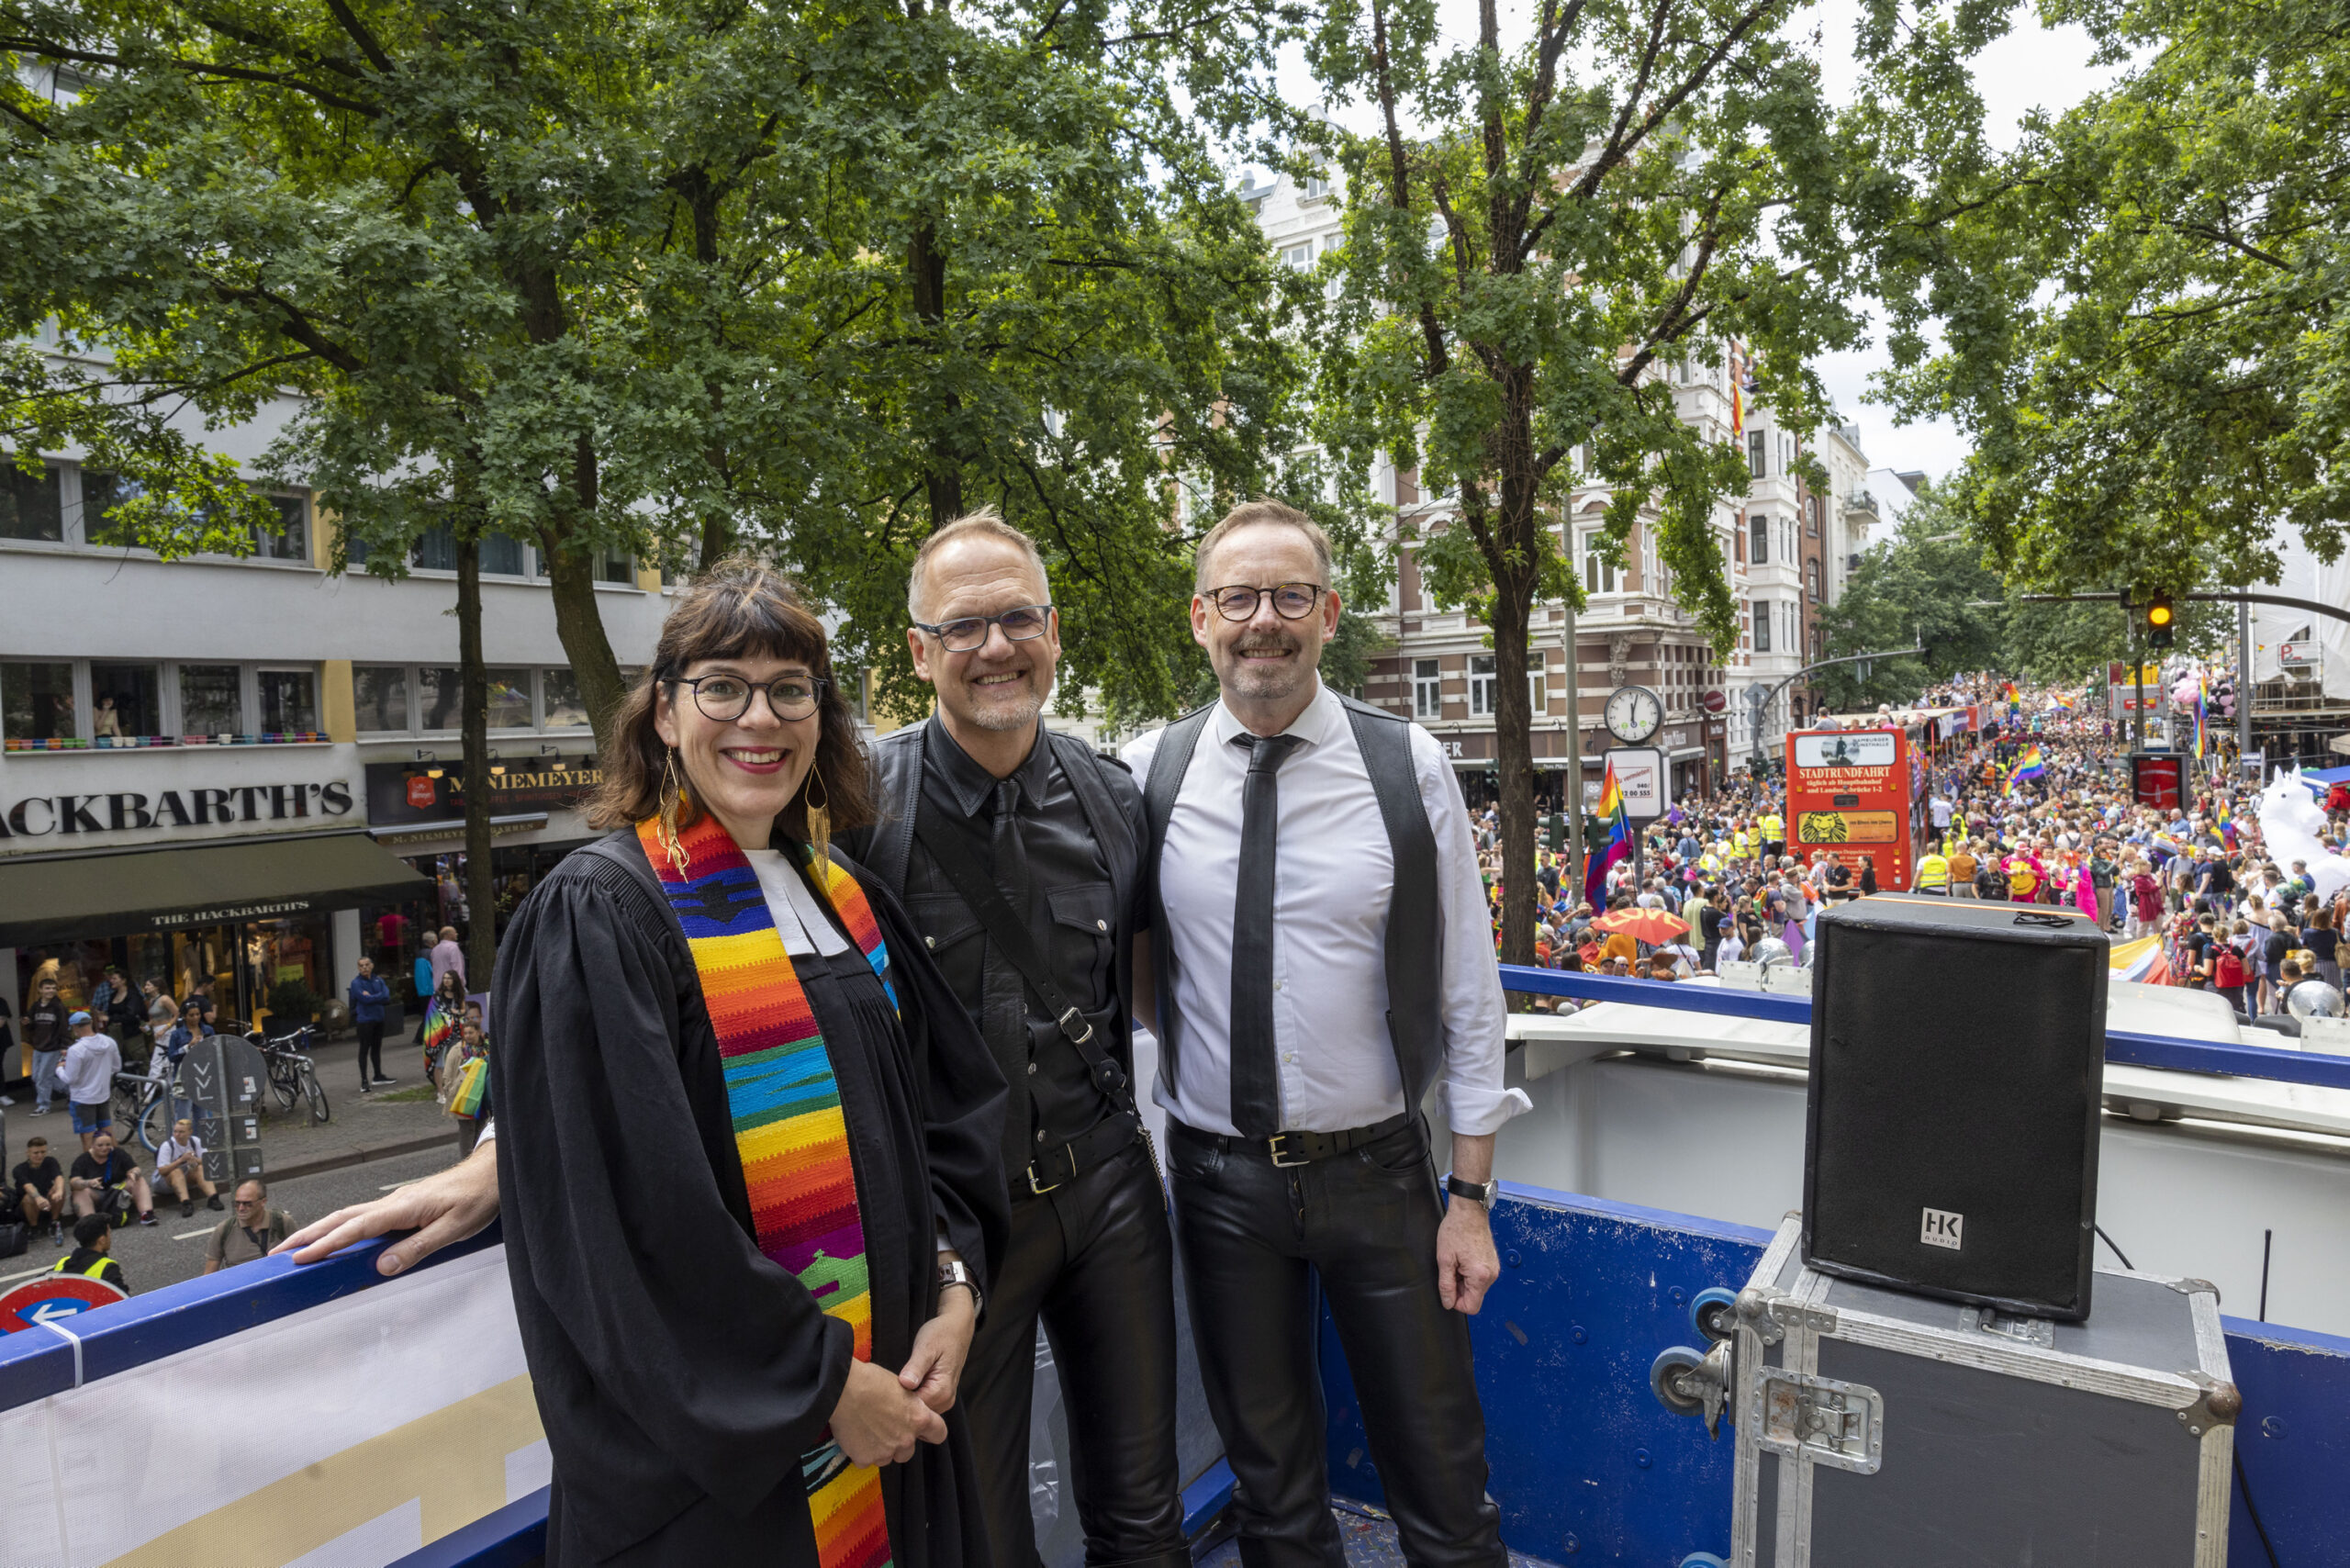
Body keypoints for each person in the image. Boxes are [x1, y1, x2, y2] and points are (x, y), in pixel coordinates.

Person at [297, 558, 1012, 1562]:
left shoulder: (845, 897)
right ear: (665, 714)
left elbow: (948, 1115)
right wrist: (821, 1386)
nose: (758, 719)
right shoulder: (605, 910)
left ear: (821, 716)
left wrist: (952, 1286)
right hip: (729, 1490)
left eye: (789, 689)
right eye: (722, 686)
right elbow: (631, 1208)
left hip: (894, 1424)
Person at [1123, 502, 1528, 1568]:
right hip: (1217, 1187)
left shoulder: (1407, 764)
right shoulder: (1145, 774)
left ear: (1329, 613)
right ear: (1201, 617)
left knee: (1444, 1483)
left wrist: (1470, 1200)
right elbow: (1125, 977)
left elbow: (1468, 994)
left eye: (1290, 596)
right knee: (1274, 1496)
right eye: (1241, 598)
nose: (1266, 620)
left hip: (1381, 1178)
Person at [835, 510, 1190, 1568]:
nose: (996, 645)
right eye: (964, 625)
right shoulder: (854, 806)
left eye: (1019, 617)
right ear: (917, 651)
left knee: (1143, 1514)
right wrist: (502, 1148)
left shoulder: (1113, 796)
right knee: (979, 1537)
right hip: (957, 1225)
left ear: (1053, 630)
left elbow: (1150, 989)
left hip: (1113, 1191)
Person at [60, 1012, 121, 1152]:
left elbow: (70, 1079)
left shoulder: (76, 1050)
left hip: (82, 1098)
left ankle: (90, 1168)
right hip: (102, 1094)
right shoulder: (109, 1042)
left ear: (75, 1027)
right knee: (107, 1131)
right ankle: (118, 1162)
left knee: (87, 1136)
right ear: (91, 1023)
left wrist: (59, 1069)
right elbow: (117, 1067)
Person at [69, 1131, 155, 1226]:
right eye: (100, 1145)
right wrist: (88, 1183)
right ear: (92, 1145)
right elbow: (73, 1182)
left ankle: (146, 1214)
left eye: (108, 1145)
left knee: (139, 1180)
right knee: (78, 1191)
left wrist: (134, 1173)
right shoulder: (82, 1160)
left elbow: (135, 1168)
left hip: (117, 1190)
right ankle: (91, 1223)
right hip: (96, 1193)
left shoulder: (118, 1153)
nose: (105, 1148)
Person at [206, 1179, 292, 1272]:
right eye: (237, 1203)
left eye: (247, 1204)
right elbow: (209, 1273)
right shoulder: (223, 1230)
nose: (241, 1208)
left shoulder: (283, 1222)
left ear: (263, 1202)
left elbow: (299, 1256)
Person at [153, 1117, 224, 1218]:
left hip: (185, 1179)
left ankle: (213, 1198)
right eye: (175, 1131)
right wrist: (181, 1160)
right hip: (164, 1183)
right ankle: (186, 1203)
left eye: (181, 1132)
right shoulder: (167, 1145)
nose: (177, 1135)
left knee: (200, 1168)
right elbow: (162, 1171)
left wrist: (195, 1160)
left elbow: (208, 1160)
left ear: (190, 1132)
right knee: (176, 1172)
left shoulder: (195, 1141)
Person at [347, 956, 394, 1092]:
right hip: (365, 1021)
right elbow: (364, 999)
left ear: (372, 965)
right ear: (358, 968)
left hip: (379, 1018)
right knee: (364, 1050)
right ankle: (364, 1081)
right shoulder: (356, 983)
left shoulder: (378, 979)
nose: (364, 968)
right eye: (361, 966)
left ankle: (378, 1076)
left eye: (367, 965)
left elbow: (386, 997)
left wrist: (372, 996)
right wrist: (377, 996)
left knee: (376, 1048)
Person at [24, 975, 67, 1116]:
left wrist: (63, 1045)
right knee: (37, 1077)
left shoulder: (58, 1007)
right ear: (40, 990)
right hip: (38, 1047)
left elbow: (63, 1027)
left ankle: (44, 1105)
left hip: (52, 1047)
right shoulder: (36, 1006)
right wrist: (27, 1022)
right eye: (47, 988)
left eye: (54, 988)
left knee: (43, 1077)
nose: (51, 991)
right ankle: (72, 1091)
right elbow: (31, 1024)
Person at [12, 1136, 66, 1244]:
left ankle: (54, 1222)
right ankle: (34, 1228)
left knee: (59, 1189)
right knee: (29, 1197)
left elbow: (58, 1177)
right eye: (36, 1153)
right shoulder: (19, 1169)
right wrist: (38, 1197)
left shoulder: (50, 1162)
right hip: (26, 1208)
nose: (40, 1155)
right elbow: (28, 1186)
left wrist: (59, 1190)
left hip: (47, 1203)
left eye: (43, 1152)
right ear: (27, 1153)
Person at [54, 1215, 127, 1294]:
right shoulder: (107, 1267)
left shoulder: (62, 1263)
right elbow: (122, 1298)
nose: (110, 1238)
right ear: (102, 1240)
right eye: (109, 1233)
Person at [427, 924, 464, 992]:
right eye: (455, 932)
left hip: (438, 987)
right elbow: (457, 969)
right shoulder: (453, 948)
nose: (457, 934)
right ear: (448, 935)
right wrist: (459, 986)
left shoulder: (434, 950)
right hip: (452, 988)